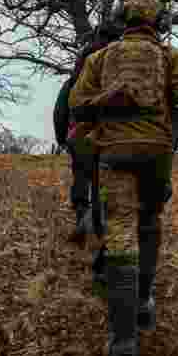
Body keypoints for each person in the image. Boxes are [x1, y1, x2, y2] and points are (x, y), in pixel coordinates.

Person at [68, 0, 178, 356]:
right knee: (150, 222)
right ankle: (144, 300)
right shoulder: (169, 55)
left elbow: (77, 102)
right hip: (157, 155)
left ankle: (124, 342)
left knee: (121, 242)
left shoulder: (100, 57)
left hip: (114, 154)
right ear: (159, 22)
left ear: (122, 21)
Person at [54, 21, 125, 246]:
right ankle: (102, 228)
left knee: (82, 176)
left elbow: (63, 102)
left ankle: (82, 217)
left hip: (80, 130)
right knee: (107, 180)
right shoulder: (121, 60)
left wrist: (62, 137)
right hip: (112, 132)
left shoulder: (85, 58)